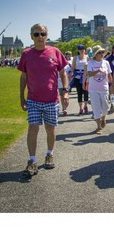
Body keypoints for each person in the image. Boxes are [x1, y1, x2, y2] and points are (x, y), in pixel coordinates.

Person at [18, 23, 69, 177]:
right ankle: (32, 161)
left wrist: (65, 92)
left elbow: (63, 74)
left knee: (50, 129)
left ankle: (49, 154)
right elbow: (23, 76)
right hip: (33, 99)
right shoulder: (26, 54)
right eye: (36, 34)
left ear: (47, 36)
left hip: (51, 100)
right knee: (33, 128)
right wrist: (21, 96)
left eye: (43, 34)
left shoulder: (55, 52)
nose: (40, 37)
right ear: (31, 36)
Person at [87, 45, 112, 135]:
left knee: (105, 107)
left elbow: (109, 75)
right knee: (96, 107)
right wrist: (98, 71)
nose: (102, 54)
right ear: (95, 54)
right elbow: (89, 74)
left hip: (104, 88)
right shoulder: (90, 63)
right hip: (93, 89)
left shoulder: (106, 63)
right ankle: (98, 127)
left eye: (102, 52)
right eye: (99, 53)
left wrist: (112, 86)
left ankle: (103, 117)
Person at [71, 44, 89, 115]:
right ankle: (80, 108)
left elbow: (90, 65)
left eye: (83, 49)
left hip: (86, 77)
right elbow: (73, 67)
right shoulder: (75, 58)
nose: (82, 50)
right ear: (78, 50)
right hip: (78, 77)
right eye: (80, 49)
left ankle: (86, 106)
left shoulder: (87, 57)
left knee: (86, 92)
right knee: (79, 92)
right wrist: (70, 74)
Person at [105, 44, 114, 113]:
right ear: (113, 49)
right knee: (112, 92)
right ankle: (112, 105)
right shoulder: (108, 58)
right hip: (111, 77)